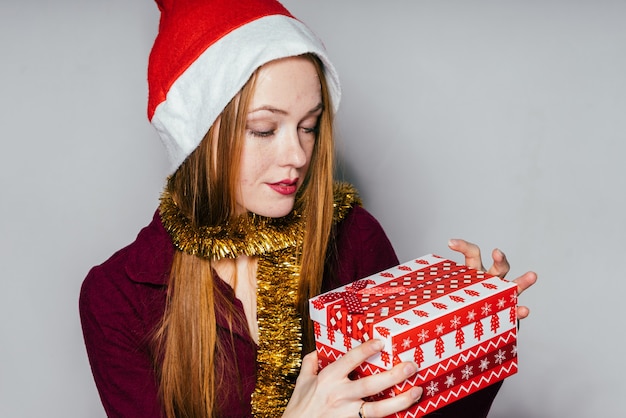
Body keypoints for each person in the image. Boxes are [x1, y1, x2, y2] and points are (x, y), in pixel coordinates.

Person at [79, 1, 537, 417]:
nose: (297, 156)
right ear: (198, 137)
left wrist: (471, 337)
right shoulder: (117, 297)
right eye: (264, 129)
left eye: (309, 127)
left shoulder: (354, 236)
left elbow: (408, 408)